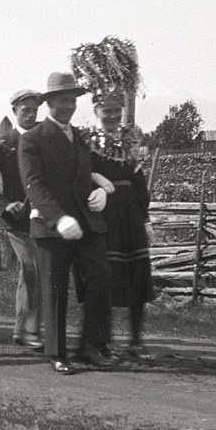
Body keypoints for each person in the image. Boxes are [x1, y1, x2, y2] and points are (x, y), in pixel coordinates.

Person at [20, 72, 116, 375]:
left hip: (86, 223)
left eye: (73, 101)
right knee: (56, 288)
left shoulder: (80, 138)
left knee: (100, 278)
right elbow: (33, 184)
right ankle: (57, 352)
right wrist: (58, 218)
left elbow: (87, 171)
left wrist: (101, 188)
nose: (69, 107)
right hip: (52, 227)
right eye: (62, 101)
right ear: (49, 103)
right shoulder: (32, 139)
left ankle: (91, 344)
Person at [0, 89, 46, 350]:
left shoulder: (45, 139)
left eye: (34, 110)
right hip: (17, 221)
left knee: (35, 272)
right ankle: (30, 331)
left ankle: (21, 329)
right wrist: (4, 205)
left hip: (45, 218)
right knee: (31, 268)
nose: (30, 114)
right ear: (14, 111)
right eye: (25, 109)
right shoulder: (2, 145)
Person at [88, 90, 155, 359]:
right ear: (96, 112)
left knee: (136, 275)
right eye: (106, 111)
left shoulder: (129, 140)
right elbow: (84, 175)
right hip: (105, 212)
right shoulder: (90, 142)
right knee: (107, 277)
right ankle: (104, 340)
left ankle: (136, 340)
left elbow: (138, 182)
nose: (112, 116)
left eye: (116, 110)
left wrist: (145, 217)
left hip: (130, 214)